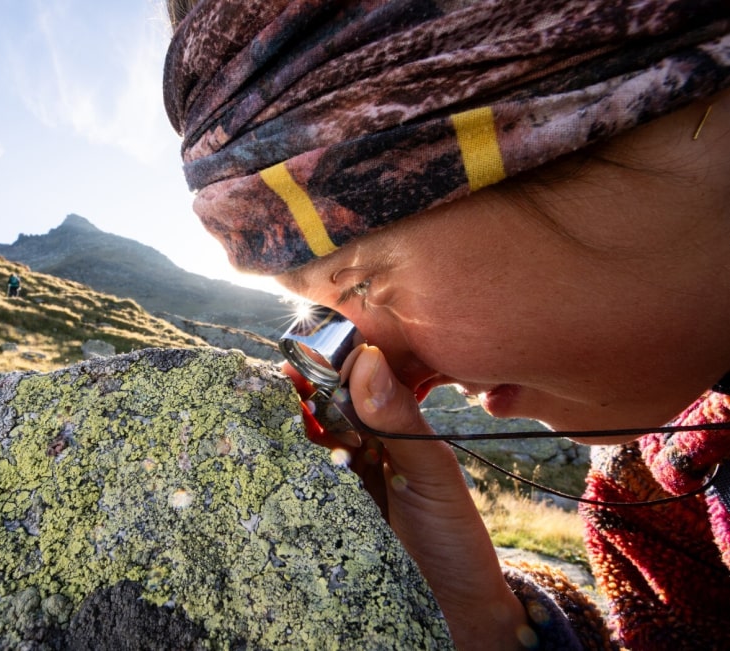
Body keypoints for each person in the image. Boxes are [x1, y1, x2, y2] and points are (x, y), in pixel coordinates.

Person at [163, 1, 730, 649]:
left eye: (360, 283)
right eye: (328, 323)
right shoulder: (658, 513)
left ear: (606, 105)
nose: (397, 383)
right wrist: (476, 615)